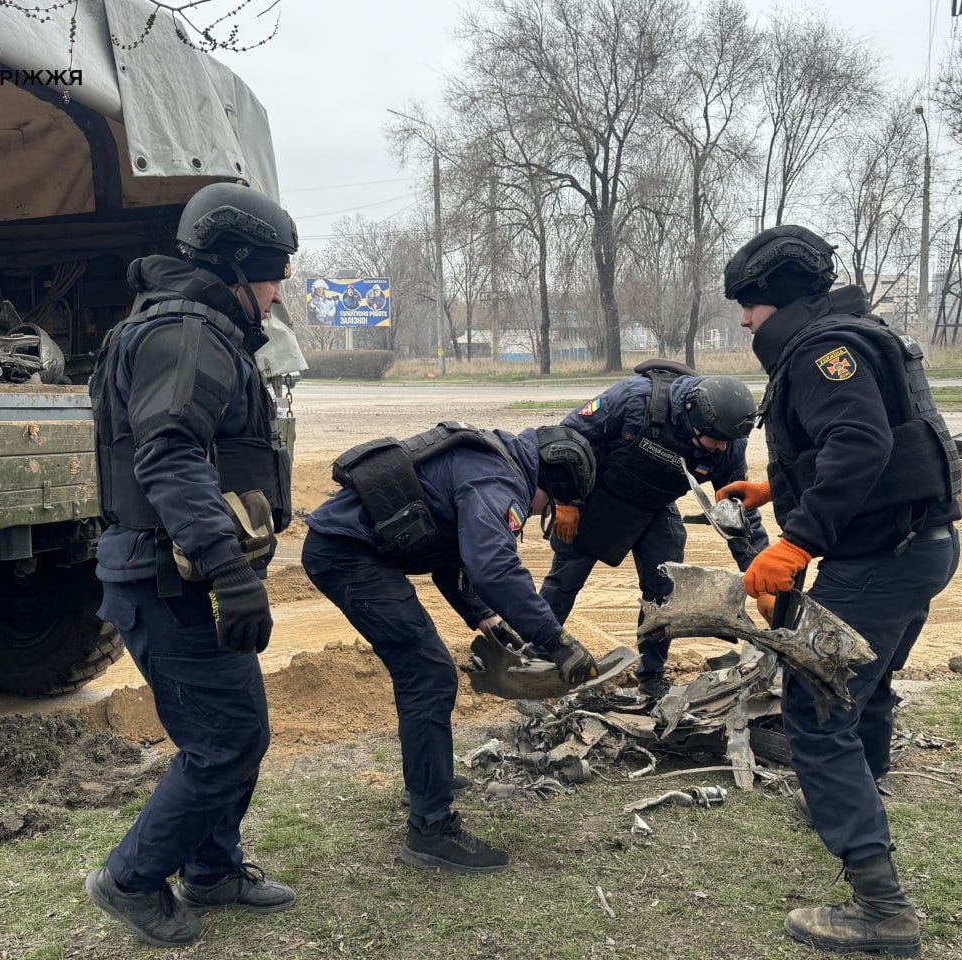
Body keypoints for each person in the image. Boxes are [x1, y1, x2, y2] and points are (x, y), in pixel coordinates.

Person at [718, 225, 961, 957]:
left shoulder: (829, 351)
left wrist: (796, 544)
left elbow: (860, 444)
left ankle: (882, 911)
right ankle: (860, 797)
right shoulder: (850, 335)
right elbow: (854, 444)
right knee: (868, 687)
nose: (743, 321)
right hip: (921, 547)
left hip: (879, 559)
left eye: (749, 306)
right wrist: (776, 488)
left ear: (779, 301)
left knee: (816, 710)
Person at [85, 182, 300, 948]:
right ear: (237, 264)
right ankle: (131, 880)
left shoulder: (200, 325)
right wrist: (230, 570)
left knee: (235, 730)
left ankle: (211, 869)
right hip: (167, 578)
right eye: (274, 271)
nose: (278, 292)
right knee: (226, 742)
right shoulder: (187, 332)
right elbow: (169, 454)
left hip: (182, 575)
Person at [301, 422, 600, 874]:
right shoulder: (501, 481)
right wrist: (554, 639)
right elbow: (493, 566)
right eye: (549, 505)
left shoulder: (491, 461)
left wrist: (486, 618)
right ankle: (431, 829)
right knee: (428, 674)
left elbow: (452, 561)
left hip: (350, 549)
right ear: (549, 485)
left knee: (425, 672)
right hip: (347, 556)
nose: (542, 512)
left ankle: (424, 784)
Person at [540, 365, 769, 699]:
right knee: (566, 578)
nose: (721, 448)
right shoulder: (635, 400)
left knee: (665, 589)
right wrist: (566, 501)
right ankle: (536, 656)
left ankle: (651, 677)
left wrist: (761, 573)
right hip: (596, 495)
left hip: (655, 504)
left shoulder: (727, 441)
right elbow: (565, 439)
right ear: (692, 418)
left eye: (727, 441)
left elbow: (736, 512)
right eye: (715, 440)